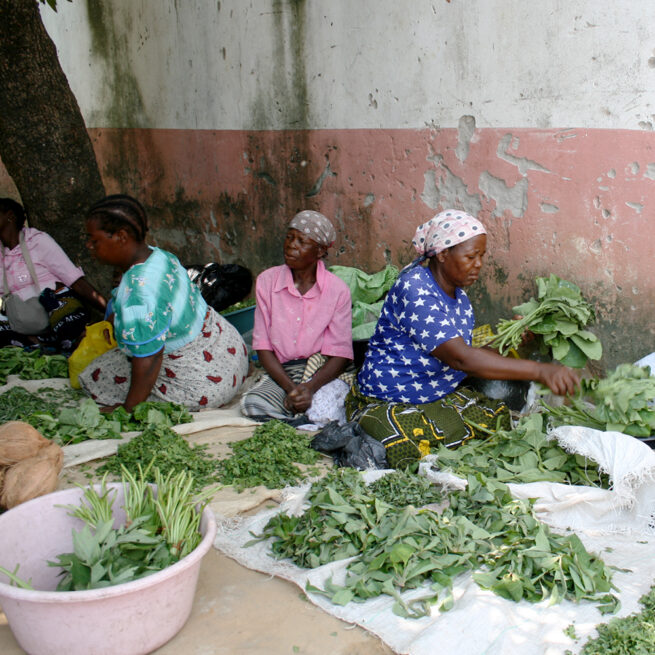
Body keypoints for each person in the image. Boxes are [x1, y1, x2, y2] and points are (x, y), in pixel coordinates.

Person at [345, 209, 580, 468]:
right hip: (390, 396)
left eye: (481, 256)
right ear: (443, 254)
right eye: (471, 256)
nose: (478, 264)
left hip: (435, 392)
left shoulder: (461, 300)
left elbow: (466, 354)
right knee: (401, 443)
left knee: (495, 419)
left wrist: (508, 342)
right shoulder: (414, 289)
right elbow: (460, 358)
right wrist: (539, 370)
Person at [78, 194, 248, 412]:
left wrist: (129, 410)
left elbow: (149, 360)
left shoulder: (137, 295)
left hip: (206, 386)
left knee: (94, 378)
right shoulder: (160, 256)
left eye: (94, 240)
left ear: (121, 236)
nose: (89, 246)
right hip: (231, 352)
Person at [241, 210, 354, 422]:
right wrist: (291, 389)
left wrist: (309, 388)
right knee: (254, 404)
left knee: (325, 410)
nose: (292, 245)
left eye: (302, 241)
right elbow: (263, 346)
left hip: (319, 372)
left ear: (320, 251)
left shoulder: (337, 290)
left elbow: (340, 353)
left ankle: (297, 418)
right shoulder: (268, 281)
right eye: (289, 237)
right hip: (282, 372)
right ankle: (296, 419)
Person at [0, 197, 106, 353]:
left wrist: (112, 311)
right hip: (20, 319)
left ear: (10, 216)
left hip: (53, 311)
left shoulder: (37, 241)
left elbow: (76, 281)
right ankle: (36, 345)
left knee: (63, 310)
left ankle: (59, 343)